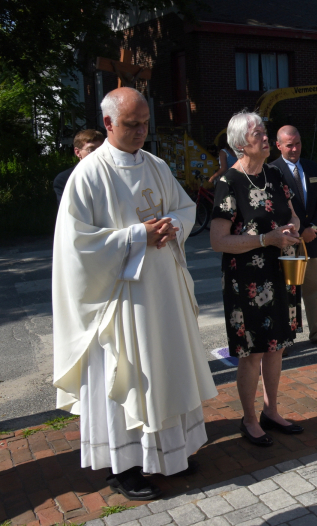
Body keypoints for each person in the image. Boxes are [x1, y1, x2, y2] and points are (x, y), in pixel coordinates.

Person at [53, 88, 217, 501]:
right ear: (108, 124)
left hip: (162, 295)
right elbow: (76, 246)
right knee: (130, 377)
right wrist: (136, 236)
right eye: (131, 124)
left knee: (165, 369)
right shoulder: (89, 174)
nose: (142, 131)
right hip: (120, 303)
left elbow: (184, 208)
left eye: (145, 122)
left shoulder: (157, 165)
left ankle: (171, 454)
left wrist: (172, 227)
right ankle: (124, 466)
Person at [210, 111, 306, 447]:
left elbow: (291, 211)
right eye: (257, 134)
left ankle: (271, 411)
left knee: (276, 348)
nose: (265, 137)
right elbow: (218, 240)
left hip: (279, 272)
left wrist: (291, 226)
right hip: (246, 281)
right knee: (252, 353)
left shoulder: (275, 175)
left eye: (264, 131)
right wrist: (267, 239)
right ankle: (249, 419)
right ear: (240, 144)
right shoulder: (228, 183)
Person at [271, 125, 317, 347]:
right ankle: (285, 340)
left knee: (314, 289)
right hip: (286, 243)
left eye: (297, 144)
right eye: (289, 145)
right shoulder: (271, 171)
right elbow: (273, 208)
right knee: (287, 293)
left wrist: (313, 228)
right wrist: (296, 231)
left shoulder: (312, 168)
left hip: (311, 241)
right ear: (278, 146)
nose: (294, 149)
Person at [53, 129, 105, 204]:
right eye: (92, 149)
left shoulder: (112, 173)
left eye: (101, 150)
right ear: (78, 152)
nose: (97, 154)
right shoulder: (64, 179)